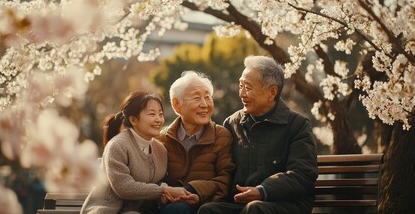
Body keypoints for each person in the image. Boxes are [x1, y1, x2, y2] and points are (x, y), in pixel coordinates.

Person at [197, 55, 318, 214]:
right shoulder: (232, 124)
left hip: (285, 205)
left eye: (247, 87)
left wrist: (262, 191)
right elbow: (221, 170)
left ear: (271, 92)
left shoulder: (297, 125)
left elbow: (302, 174)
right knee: (208, 210)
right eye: (240, 85)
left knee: (255, 209)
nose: (241, 93)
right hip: (240, 204)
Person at [81, 91, 187, 214]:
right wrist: (162, 190)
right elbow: (124, 187)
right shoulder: (117, 146)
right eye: (152, 114)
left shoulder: (161, 150)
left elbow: (154, 183)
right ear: (133, 120)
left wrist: (162, 195)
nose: (158, 119)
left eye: (160, 114)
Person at [157, 71, 235, 214]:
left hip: (206, 206)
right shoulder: (161, 138)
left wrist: (195, 193)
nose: (204, 104)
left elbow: (225, 181)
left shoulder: (222, 136)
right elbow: (153, 179)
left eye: (207, 97)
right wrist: (163, 195)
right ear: (176, 105)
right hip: (168, 206)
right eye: (196, 98)